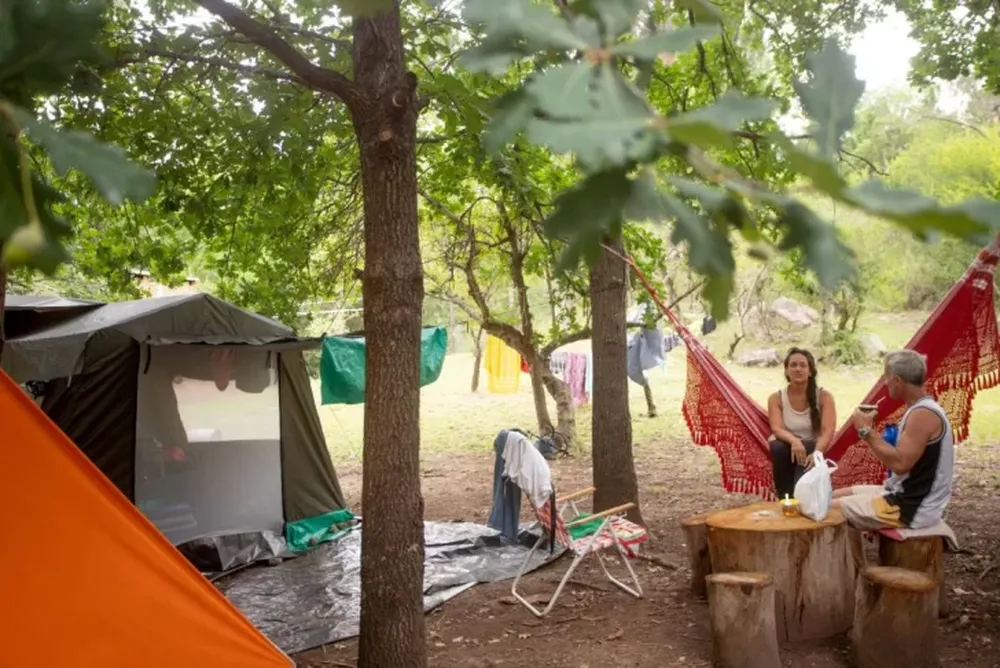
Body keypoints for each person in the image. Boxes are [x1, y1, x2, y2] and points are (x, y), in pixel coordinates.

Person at [834, 350, 954, 535]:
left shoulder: (923, 414)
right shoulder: (920, 408)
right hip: (900, 493)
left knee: (823, 510)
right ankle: (855, 564)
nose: (885, 382)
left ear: (898, 380)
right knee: (831, 497)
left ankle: (848, 564)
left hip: (911, 507)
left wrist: (866, 431)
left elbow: (900, 464)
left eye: (887, 377)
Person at [767, 348, 837, 499]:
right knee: (778, 447)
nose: (798, 369)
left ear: (810, 371)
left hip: (813, 448)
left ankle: (798, 498)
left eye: (803, 365)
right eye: (793, 365)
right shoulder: (776, 398)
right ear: (786, 371)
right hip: (787, 448)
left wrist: (817, 453)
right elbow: (776, 428)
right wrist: (794, 441)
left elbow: (828, 431)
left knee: (801, 492)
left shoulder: (824, 397)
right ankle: (784, 498)